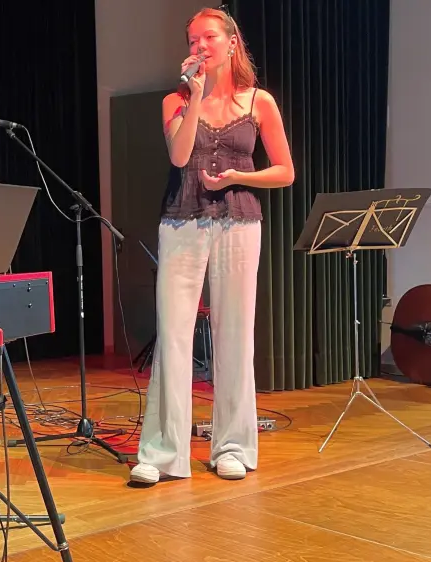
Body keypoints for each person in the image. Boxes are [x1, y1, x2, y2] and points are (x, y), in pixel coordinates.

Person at [130, 8, 293, 485]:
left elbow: (285, 171)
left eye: (208, 37)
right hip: (182, 220)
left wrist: (240, 176)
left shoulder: (259, 101)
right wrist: (196, 93)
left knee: (235, 335)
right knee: (175, 336)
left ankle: (233, 447)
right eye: (192, 39)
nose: (199, 45)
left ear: (231, 42)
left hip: (240, 222)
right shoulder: (175, 100)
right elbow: (180, 155)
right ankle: (163, 454)